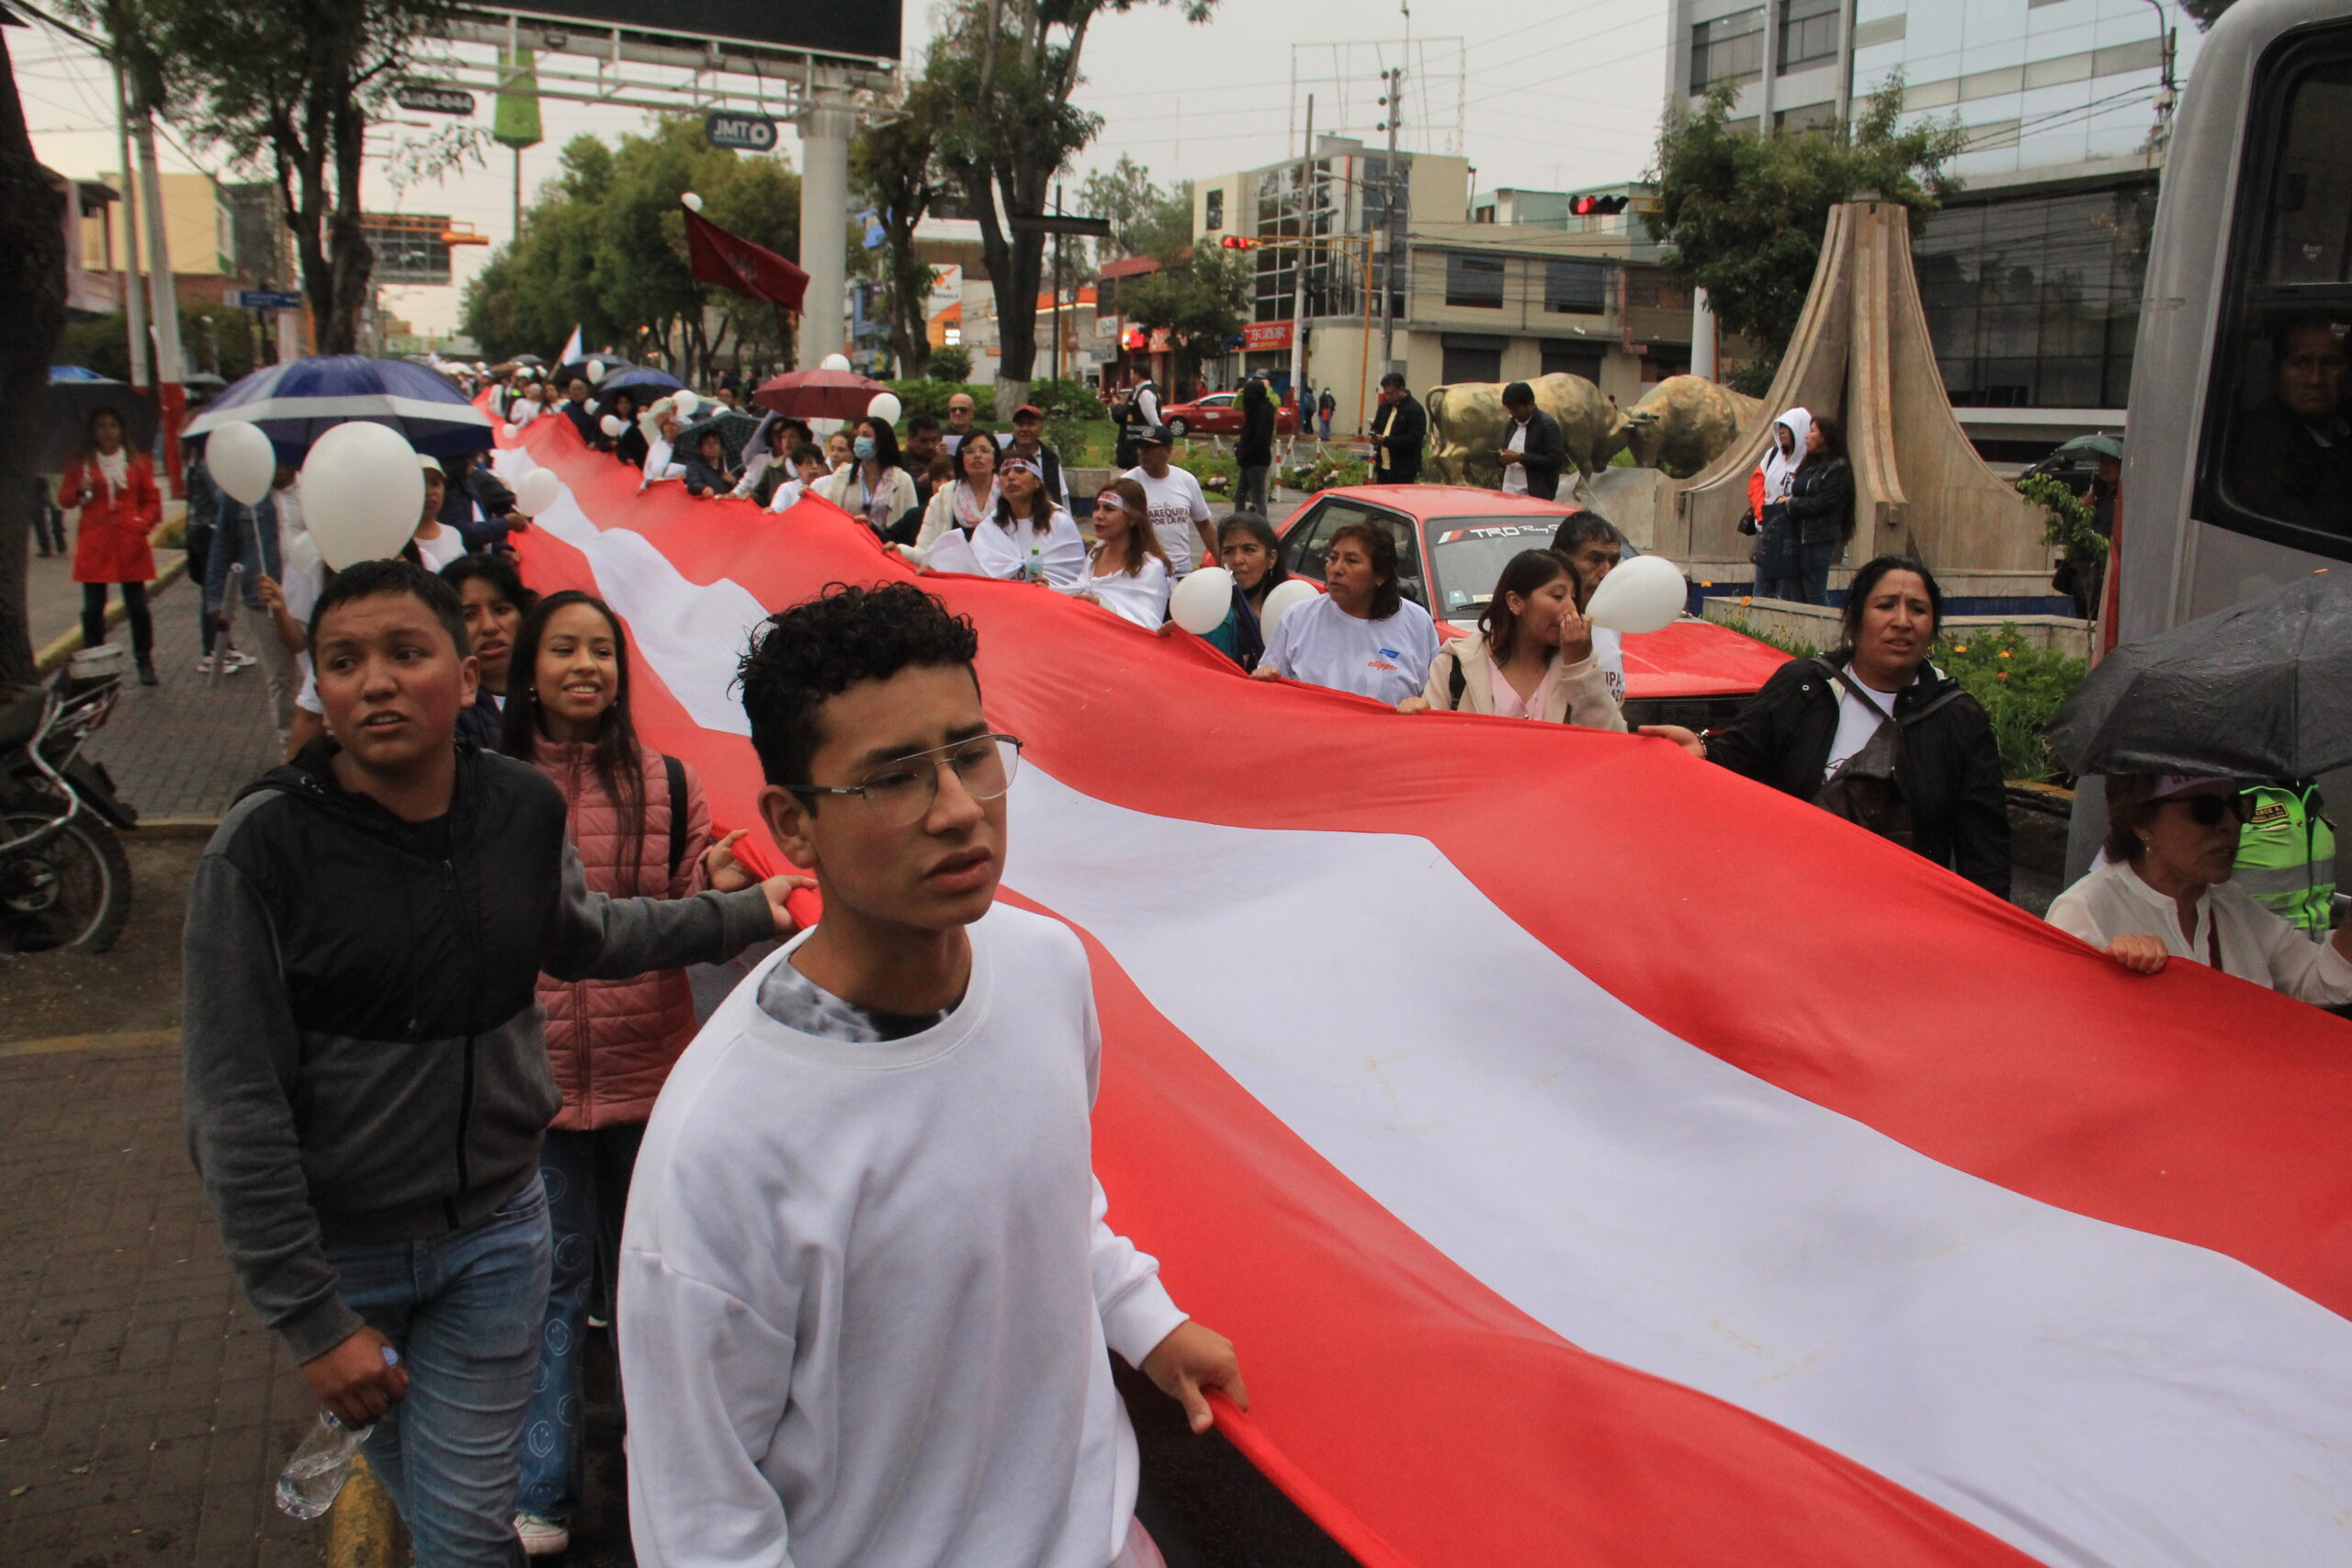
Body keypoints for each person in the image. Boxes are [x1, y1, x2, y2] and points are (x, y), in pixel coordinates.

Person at [182, 560, 801, 1568]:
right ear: (321, 691)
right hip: (352, 1257)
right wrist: (310, 1318)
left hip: (499, 1238)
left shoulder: (518, 809)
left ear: (467, 679)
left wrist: (737, 912)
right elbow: (231, 1105)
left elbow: (582, 934)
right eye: (343, 662)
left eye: (405, 653)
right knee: (448, 1515)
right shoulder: (260, 851)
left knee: (467, 1525)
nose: (374, 681)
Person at [618, 581, 1246, 1568]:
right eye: (895, 778)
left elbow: (1047, 1196)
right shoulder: (720, 1145)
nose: (958, 810)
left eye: (970, 754)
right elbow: (698, 1514)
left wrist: (1142, 1317)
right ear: (791, 825)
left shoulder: (1047, 969)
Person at [502, 590, 770, 1556]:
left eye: (602, 651)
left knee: (653, 1292)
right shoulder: (492, 786)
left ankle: (669, 1478)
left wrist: (719, 890)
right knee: (554, 1292)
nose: (585, 666)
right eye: (565, 649)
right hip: (533, 1093)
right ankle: (544, 1489)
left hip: (649, 1078)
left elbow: (681, 906)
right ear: (528, 668)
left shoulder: (665, 782)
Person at [1639, 556, 2011, 896]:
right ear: (1855, 618)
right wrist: (1700, 752)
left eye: (1918, 609)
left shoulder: (1958, 719)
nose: (1902, 621)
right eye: (1885, 606)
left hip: (1906, 920)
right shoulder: (1804, 688)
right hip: (1793, 901)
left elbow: (1985, 852)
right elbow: (1739, 758)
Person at [2050, 773, 2352, 1004]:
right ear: (2142, 821)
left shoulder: (2234, 906)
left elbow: (2321, 982)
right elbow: (2062, 1035)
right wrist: (2117, 974)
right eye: (2205, 810)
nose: (2229, 825)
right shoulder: (2085, 911)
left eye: (2237, 807)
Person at [1402, 549, 1624, 728]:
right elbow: (1430, 739)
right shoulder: (1455, 665)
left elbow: (1609, 739)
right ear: (1516, 602)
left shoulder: (1578, 666)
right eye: (1557, 596)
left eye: (1573, 598)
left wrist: (1579, 666)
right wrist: (1414, 713)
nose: (1570, 610)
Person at [1253, 518, 1439, 705]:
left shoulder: (1417, 623)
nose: (1336, 569)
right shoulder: (1297, 619)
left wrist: (1423, 705)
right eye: (1333, 558)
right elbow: (1269, 694)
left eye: (1351, 560)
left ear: (1380, 575)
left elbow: (1437, 701)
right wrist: (1264, 680)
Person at [60, 407, 159, 684]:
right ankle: (97, 664)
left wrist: (141, 523)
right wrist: (80, 488)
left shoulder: (136, 462)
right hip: (96, 542)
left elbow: (151, 500)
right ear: (93, 430)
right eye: (101, 425)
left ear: (121, 430)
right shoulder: (81, 462)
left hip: (129, 541)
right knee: (93, 607)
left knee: (137, 606)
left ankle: (144, 660)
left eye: (112, 425)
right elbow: (65, 499)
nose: (107, 431)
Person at [2229, 314, 2352, 534]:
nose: (2315, 379)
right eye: (2300, 363)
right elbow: (2308, 540)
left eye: (2330, 363)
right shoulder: (2264, 444)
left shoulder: (2342, 422)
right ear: (2277, 373)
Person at [207, 465, 296, 734]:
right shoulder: (244, 493)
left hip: (314, 598)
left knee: (323, 674)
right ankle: (289, 747)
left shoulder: (314, 488)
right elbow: (222, 544)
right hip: (264, 601)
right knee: (281, 677)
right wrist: (215, 600)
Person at [442, 553, 538, 752]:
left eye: (501, 610)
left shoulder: (554, 691)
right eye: (468, 616)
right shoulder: (443, 713)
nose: (489, 627)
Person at [1190, 513, 1291, 671]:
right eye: (1228, 551)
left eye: (1249, 550)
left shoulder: (1291, 613)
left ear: (1271, 558)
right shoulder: (1214, 619)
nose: (1237, 560)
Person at [1548, 511, 1629, 707]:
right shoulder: (1540, 623)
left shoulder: (1608, 621)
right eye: (1595, 560)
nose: (1606, 572)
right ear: (1562, 559)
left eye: (1613, 561)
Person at [967, 456, 1086, 588]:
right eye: (1005, 473)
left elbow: (1073, 576)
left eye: (1020, 470)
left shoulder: (1059, 522)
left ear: (1037, 481)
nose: (1011, 477)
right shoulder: (988, 528)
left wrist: (1049, 586)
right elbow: (976, 573)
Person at [1076, 479, 1171, 629]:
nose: (1098, 516)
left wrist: (1103, 607)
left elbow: (1149, 627)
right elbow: (1077, 590)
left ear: (1132, 518)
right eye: (1097, 508)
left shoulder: (1150, 567)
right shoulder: (1095, 553)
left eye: (1109, 509)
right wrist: (1049, 590)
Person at [1124, 425, 1215, 578]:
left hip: (1181, 573)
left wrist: (1221, 562)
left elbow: (1204, 525)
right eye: (1140, 447)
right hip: (1143, 573)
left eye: (1149, 448)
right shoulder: (1127, 483)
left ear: (1168, 450)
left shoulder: (1186, 480)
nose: (1142, 453)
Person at [1781, 412, 1852, 605]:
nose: (1807, 436)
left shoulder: (1837, 468)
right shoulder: (1810, 466)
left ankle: (1821, 634)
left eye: (1812, 431)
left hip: (1818, 539)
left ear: (1826, 437)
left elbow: (1825, 502)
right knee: (1794, 593)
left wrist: (1791, 504)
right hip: (1796, 537)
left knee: (1814, 594)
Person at [815, 417, 919, 541]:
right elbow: (826, 508)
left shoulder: (902, 480)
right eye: (857, 435)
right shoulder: (843, 475)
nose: (859, 440)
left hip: (883, 546)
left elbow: (911, 522)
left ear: (880, 442)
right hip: (848, 543)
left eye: (865, 435)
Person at [1745, 409, 1811, 601]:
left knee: (1784, 589)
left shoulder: (1809, 461)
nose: (1781, 431)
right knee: (1761, 587)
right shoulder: (1772, 455)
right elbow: (1756, 483)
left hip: (1791, 532)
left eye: (1787, 428)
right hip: (1767, 527)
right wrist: (1761, 513)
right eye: (1780, 427)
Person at [915, 429, 1001, 556]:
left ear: (995, 461)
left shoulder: (1009, 496)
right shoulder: (943, 497)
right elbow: (924, 550)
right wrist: (901, 551)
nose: (977, 455)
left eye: (984, 450)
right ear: (961, 460)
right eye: (970, 451)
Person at [439, 452, 523, 555]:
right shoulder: (449, 489)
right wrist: (505, 524)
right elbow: (459, 533)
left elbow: (480, 518)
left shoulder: (466, 481)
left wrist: (499, 549)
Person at [1495, 381, 1565, 501]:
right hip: (1509, 492)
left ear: (1530, 404)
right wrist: (1502, 457)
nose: (1513, 413)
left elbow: (1555, 461)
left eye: (1516, 409)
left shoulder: (1547, 425)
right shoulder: (1512, 424)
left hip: (1534, 496)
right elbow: (1506, 457)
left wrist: (1520, 458)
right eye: (1510, 410)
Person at [997, 402, 1072, 513]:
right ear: (1013, 428)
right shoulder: (1001, 459)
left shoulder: (1050, 460)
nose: (1025, 429)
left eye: (1031, 424)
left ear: (1041, 429)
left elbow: (1062, 496)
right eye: (1020, 424)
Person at [410, 457, 467, 572]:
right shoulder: (401, 542)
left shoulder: (453, 535)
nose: (430, 491)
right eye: (422, 483)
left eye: (435, 483)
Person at [1370, 372, 1426, 486]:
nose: (1388, 397)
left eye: (1391, 394)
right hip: (1383, 468)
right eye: (1386, 394)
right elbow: (1376, 427)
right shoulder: (1384, 407)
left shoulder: (1415, 409)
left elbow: (1414, 439)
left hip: (1404, 470)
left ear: (1402, 389)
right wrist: (1374, 436)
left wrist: (1386, 441)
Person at [1235, 376, 1277, 513]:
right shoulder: (1256, 410)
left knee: (1258, 498)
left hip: (1256, 461)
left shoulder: (1263, 412)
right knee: (1240, 494)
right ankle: (1238, 522)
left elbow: (1260, 439)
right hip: (1248, 460)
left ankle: (1261, 528)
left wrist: (1244, 452)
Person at [764, 444, 831, 515]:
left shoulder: (829, 487)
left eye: (818, 463)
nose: (814, 466)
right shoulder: (787, 488)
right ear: (797, 467)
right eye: (809, 463)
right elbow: (776, 512)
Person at [1114, 374, 1163, 469]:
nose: (1130, 377)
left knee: (1138, 472)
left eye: (1132, 374)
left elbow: (1153, 419)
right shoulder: (1148, 390)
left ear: (1137, 375)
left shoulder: (1145, 393)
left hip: (1139, 441)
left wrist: (1117, 406)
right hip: (1137, 442)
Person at [680, 427, 737, 499]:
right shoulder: (694, 464)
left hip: (726, 504)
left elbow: (739, 489)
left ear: (721, 447)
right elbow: (693, 483)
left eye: (715, 442)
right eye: (707, 443)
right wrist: (703, 488)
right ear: (701, 448)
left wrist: (733, 482)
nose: (711, 446)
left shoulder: (728, 464)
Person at [902, 413, 944, 507]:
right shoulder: (898, 460)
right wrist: (918, 483)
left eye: (934, 440)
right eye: (924, 441)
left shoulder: (943, 461)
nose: (930, 446)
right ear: (910, 439)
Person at [28, 471, 66, 558]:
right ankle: (47, 543)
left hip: (50, 472)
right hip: (41, 473)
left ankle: (54, 537)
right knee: (38, 511)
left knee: (54, 506)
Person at [943, 390, 981, 454]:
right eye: (953, 410)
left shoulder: (981, 437)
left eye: (963, 410)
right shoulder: (937, 437)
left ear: (972, 413)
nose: (957, 413)